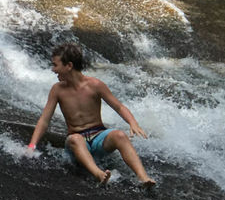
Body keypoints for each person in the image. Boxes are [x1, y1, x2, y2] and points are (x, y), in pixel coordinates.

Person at [28, 43, 156, 187]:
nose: (53, 69)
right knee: (75, 139)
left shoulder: (95, 85)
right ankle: (99, 174)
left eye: (55, 65)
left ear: (69, 66)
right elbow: (44, 120)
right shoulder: (57, 90)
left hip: (98, 139)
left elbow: (119, 106)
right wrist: (32, 145)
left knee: (120, 135)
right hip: (77, 143)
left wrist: (133, 123)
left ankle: (143, 178)